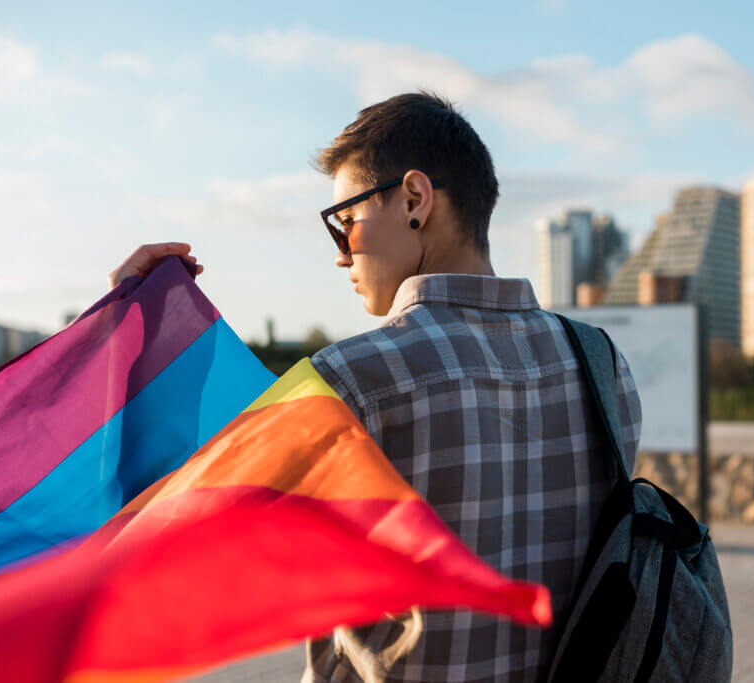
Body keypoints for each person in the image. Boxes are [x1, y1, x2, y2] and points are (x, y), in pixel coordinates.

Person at [109, 91, 642, 682]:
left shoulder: (350, 382)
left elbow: (169, 537)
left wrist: (129, 343)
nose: (342, 257)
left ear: (415, 199)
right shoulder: (602, 363)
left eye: (346, 223)